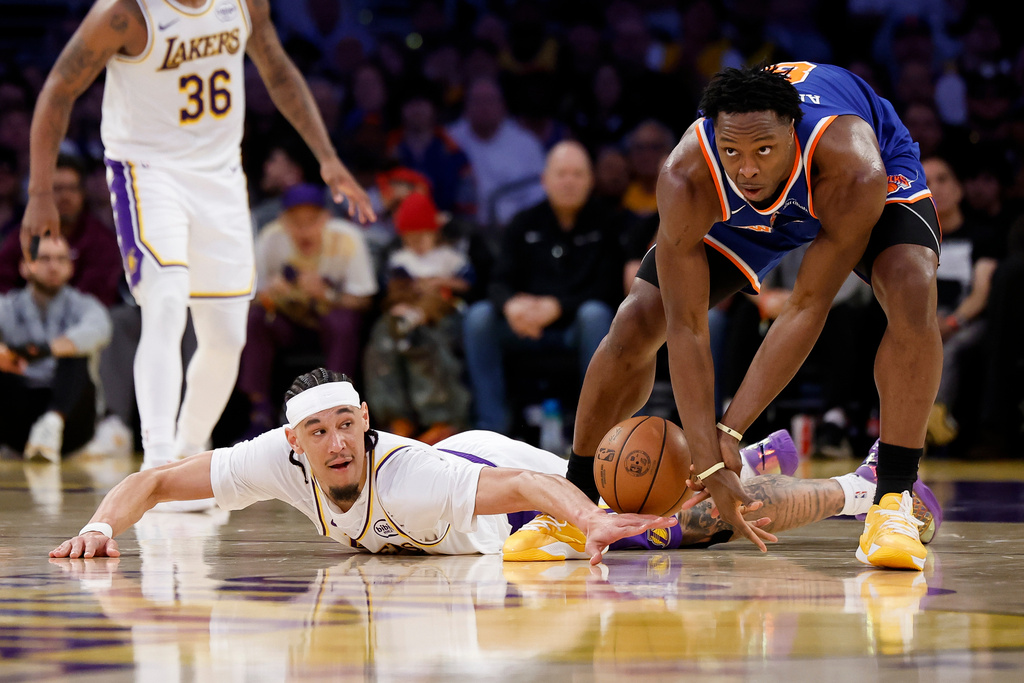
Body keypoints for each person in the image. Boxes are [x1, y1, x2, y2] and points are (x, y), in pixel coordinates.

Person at [518, 62, 945, 572]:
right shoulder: (686, 176)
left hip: (844, 183)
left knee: (912, 286)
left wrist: (732, 431)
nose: (747, 169)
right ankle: (576, 501)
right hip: (748, 210)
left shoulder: (853, 165)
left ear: (792, 132)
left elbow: (807, 305)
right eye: (732, 151)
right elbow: (687, 326)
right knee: (638, 319)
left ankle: (893, 496)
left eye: (763, 150)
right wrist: (707, 459)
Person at [50, 369, 941, 567]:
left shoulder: (408, 480)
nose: (336, 442)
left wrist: (588, 515)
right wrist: (98, 524)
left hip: (502, 487)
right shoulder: (271, 463)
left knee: (685, 527)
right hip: (484, 483)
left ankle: (867, 487)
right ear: (295, 443)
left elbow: (522, 489)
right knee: (666, 513)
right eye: (319, 432)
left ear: (366, 422)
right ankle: (757, 456)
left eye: (347, 424)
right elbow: (156, 479)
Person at [21, 0, 375, 478]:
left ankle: (188, 455)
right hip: (148, 172)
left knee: (227, 336)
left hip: (220, 175)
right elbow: (59, 88)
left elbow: (278, 70)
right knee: (165, 303)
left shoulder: (244, 3)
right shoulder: (125, 13)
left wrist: (326, 157)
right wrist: (40, 191)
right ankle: (157, 461)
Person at [462, 141, 624, 433]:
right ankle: (491, 427)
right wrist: (511, 306)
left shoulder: (607, 224)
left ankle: (596, 428)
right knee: (479, 318)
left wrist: (558, 307)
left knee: (596, 314)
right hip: (525, 326)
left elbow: (609, 288)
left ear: (591, 180)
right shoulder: (524, 223)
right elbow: (498, 281)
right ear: (544, 180)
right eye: (561, 174)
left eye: (577, 174)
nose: (569, 181)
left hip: (575, 328)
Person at [239, 183, 377, 433]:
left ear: (325, 218)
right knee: (256, 318)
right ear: (283, 221)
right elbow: (249, 296)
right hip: (290, 323)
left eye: (311, 221)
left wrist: (327, 294)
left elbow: (365, 299)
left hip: (329, 323)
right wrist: (269, 294)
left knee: (343, 321)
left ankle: (337, 404)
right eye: (295, 222)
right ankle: (259, 411)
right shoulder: (271, 239)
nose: (303, 230)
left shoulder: (346, 239)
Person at [362, 192, 473, 444]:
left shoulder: (450, 257)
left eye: (423, 236)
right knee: (382, 342)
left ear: (435, 233)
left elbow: (469, 284)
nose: (418, 243)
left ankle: (442, 419)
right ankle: (396, 417)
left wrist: (440, 283)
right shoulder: (399, 261)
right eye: (411, 238)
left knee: (427, 344)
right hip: (402, 314)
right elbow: (388, 292)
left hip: (440, 316)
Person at [0, 235, 111, 461]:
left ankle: (52, 423)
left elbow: (100, 329)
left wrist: (44, 350)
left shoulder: (85, 305)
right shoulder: (7, 306)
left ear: (71, 268)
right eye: (44, 259)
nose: (53, 267)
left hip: (72, 423)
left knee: (76, 355)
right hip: (17, 415)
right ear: (24, 267)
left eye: (61, 259)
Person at [0, 153, 122, 307]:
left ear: (83, 193)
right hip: (26, 316)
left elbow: (98, 297)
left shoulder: (101, 240)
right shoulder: (23, 235)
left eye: (72, 189)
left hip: (83, 317)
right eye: (57, 189)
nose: (65, 196)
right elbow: (3, 284)